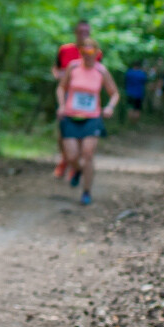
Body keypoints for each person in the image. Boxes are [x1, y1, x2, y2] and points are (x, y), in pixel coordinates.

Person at [55, 38, 119, 206]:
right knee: (71, 156)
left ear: (97, 53)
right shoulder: (73, 67)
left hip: (92, 118)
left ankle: (86, 191)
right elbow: (61, 87)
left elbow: (114, 93)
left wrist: (109, 107)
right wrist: (61, 106)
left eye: (91, 52)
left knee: (88, 155)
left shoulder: (101, 71)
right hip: (70, 116)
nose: (87, 55)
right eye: (84, 51)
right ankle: (77, 169)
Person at [51, 20, 96, 178]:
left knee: (80, 134)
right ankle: (66, 160)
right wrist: (58, 75)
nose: (84, 34)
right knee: (63, 132)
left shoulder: (94, 51)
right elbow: (56, 68)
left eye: (87, 32)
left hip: (86, 99)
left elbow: (98, 73)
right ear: (76, 32)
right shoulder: (65, 49)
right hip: (67, 94)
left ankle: (73, 165)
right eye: (81, 31)